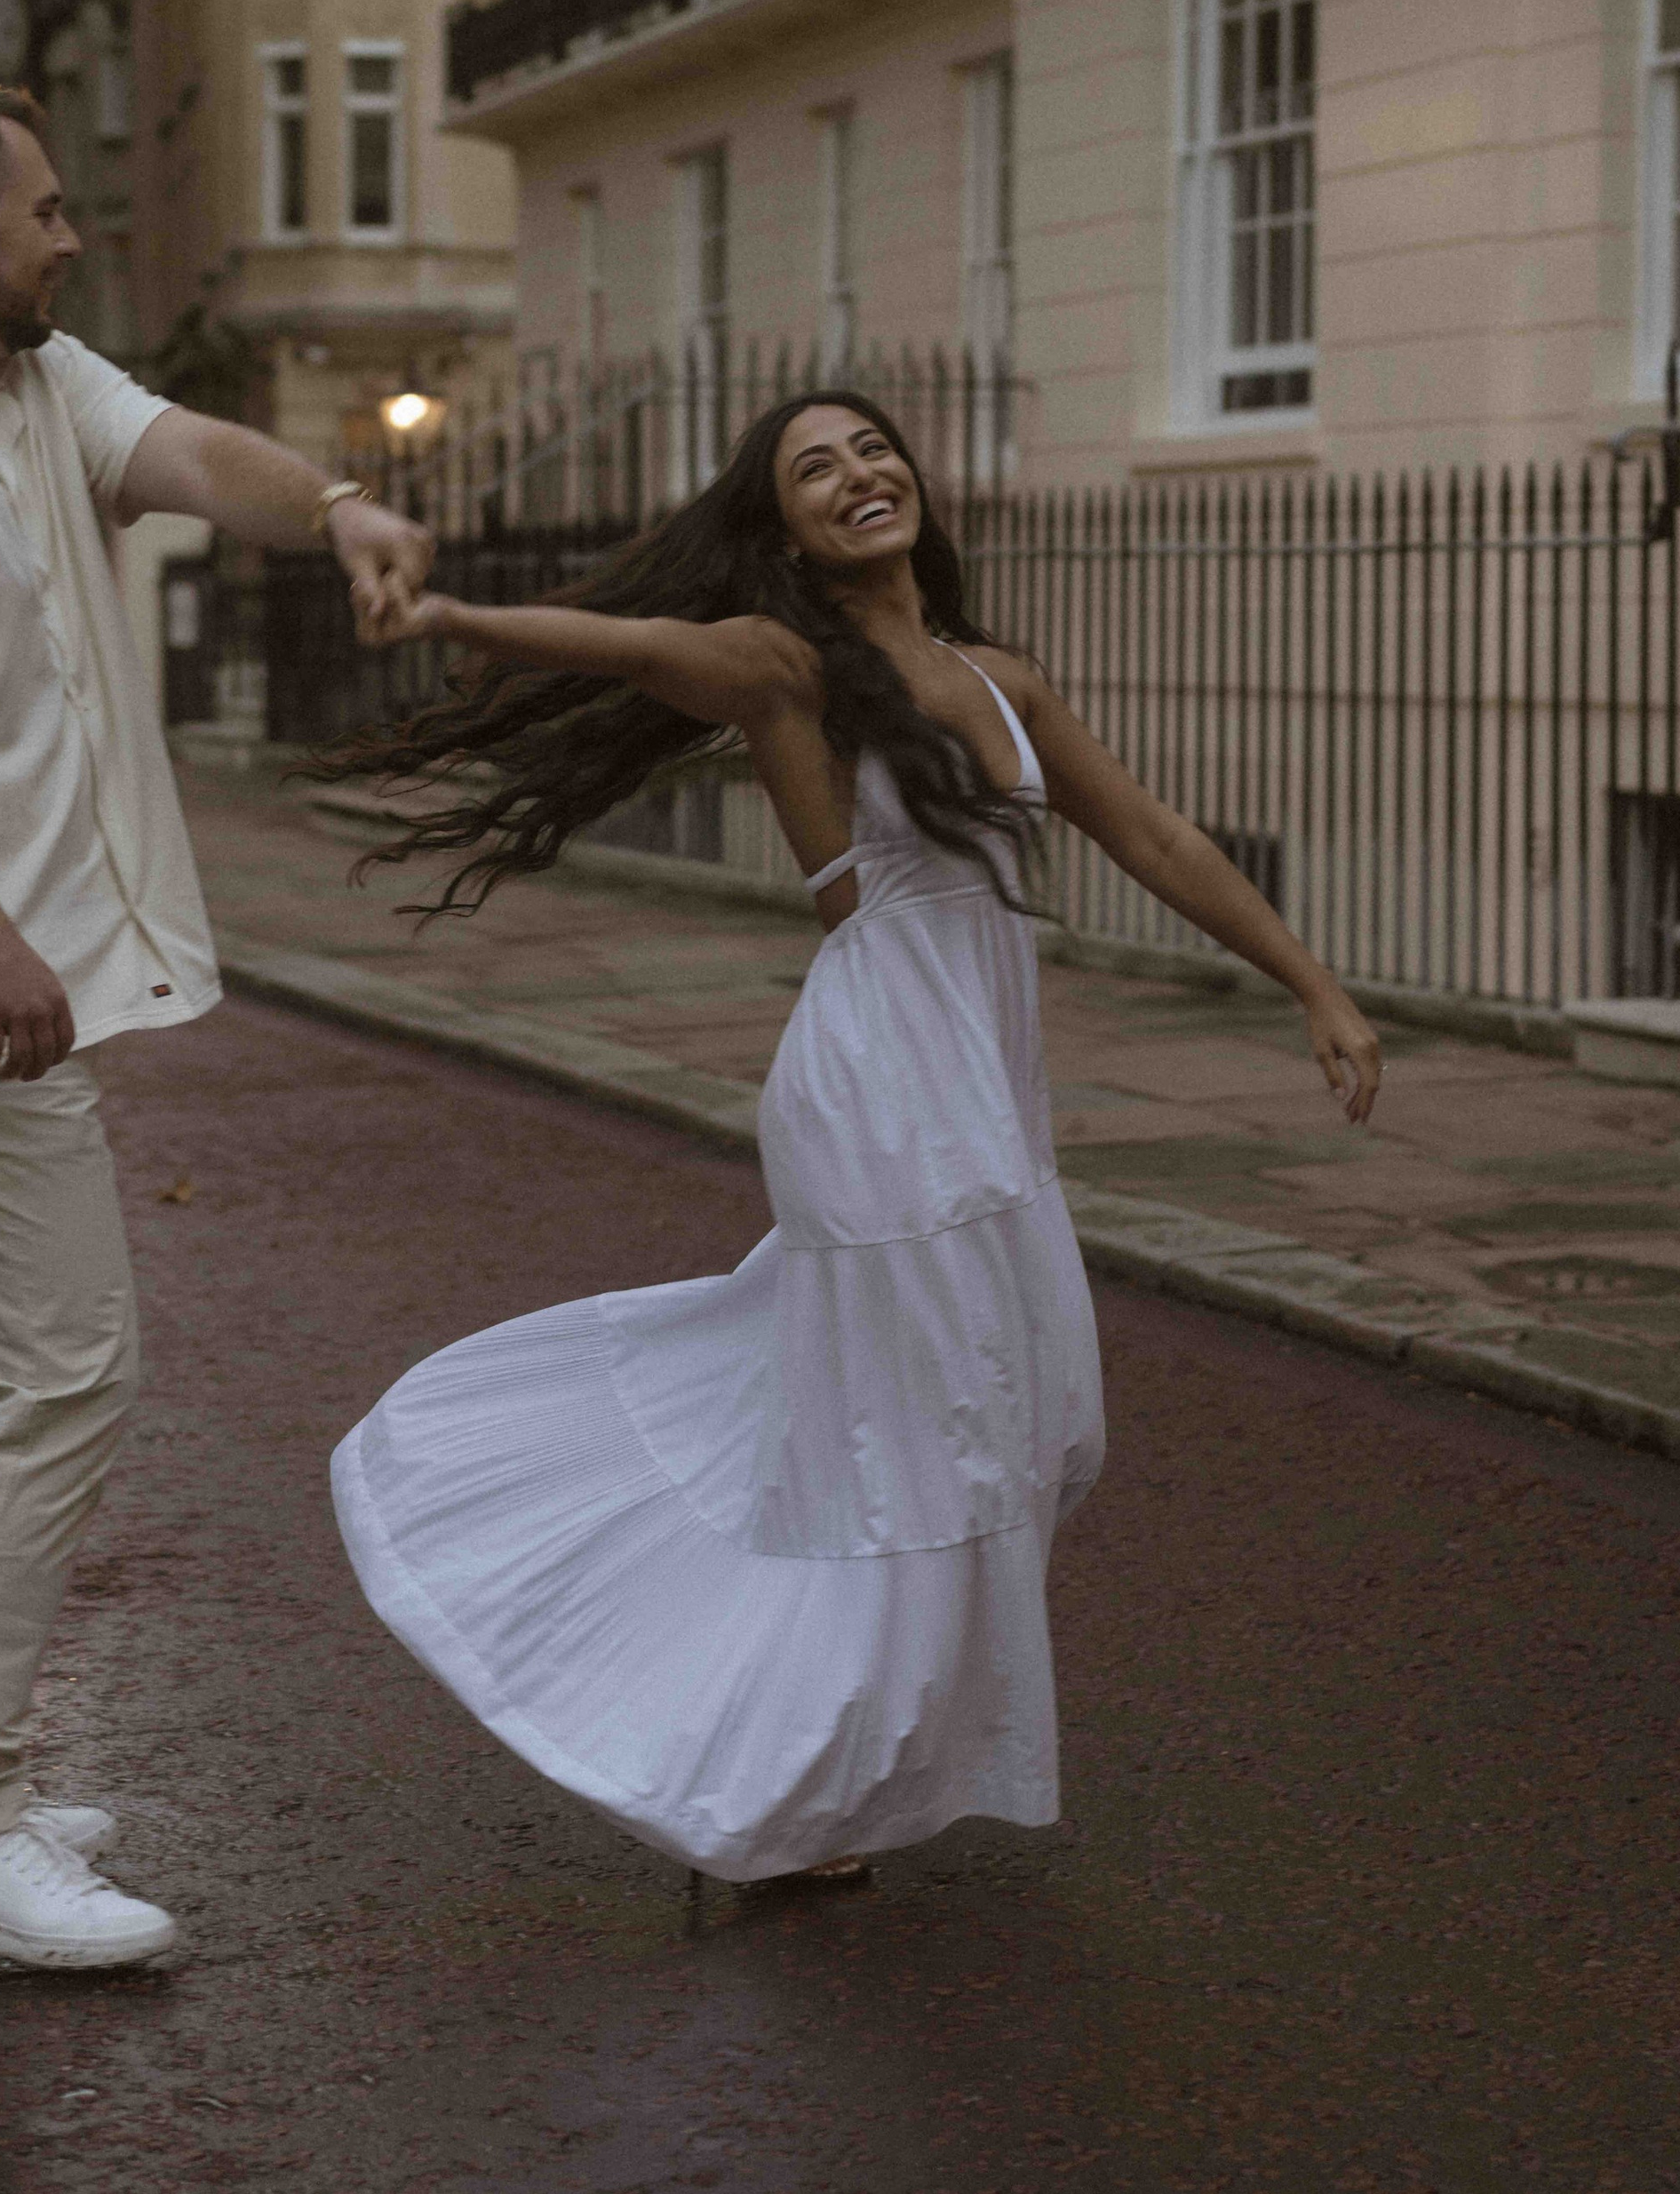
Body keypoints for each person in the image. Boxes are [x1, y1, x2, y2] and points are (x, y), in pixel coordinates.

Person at [329, 391, 1381, 1889]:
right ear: (785, 526)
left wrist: (1313, 985)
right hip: (880, 1078)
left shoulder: (995, 674)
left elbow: (1156, 840)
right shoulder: (782, 667)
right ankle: (787, 1791)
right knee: (932, 1440)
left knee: (1014, 1426)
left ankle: (806, 1750)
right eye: (813, 468)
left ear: (913, 482)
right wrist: (449, 613)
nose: (857, 474)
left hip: (980, 1090)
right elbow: (636, 651)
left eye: (871, 449)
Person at [0, 75, 428, 1969]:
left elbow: (197, 456)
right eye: (42, 212)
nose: (68, 237)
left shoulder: (27, 389)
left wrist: (344, 500)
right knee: (61, 1377)